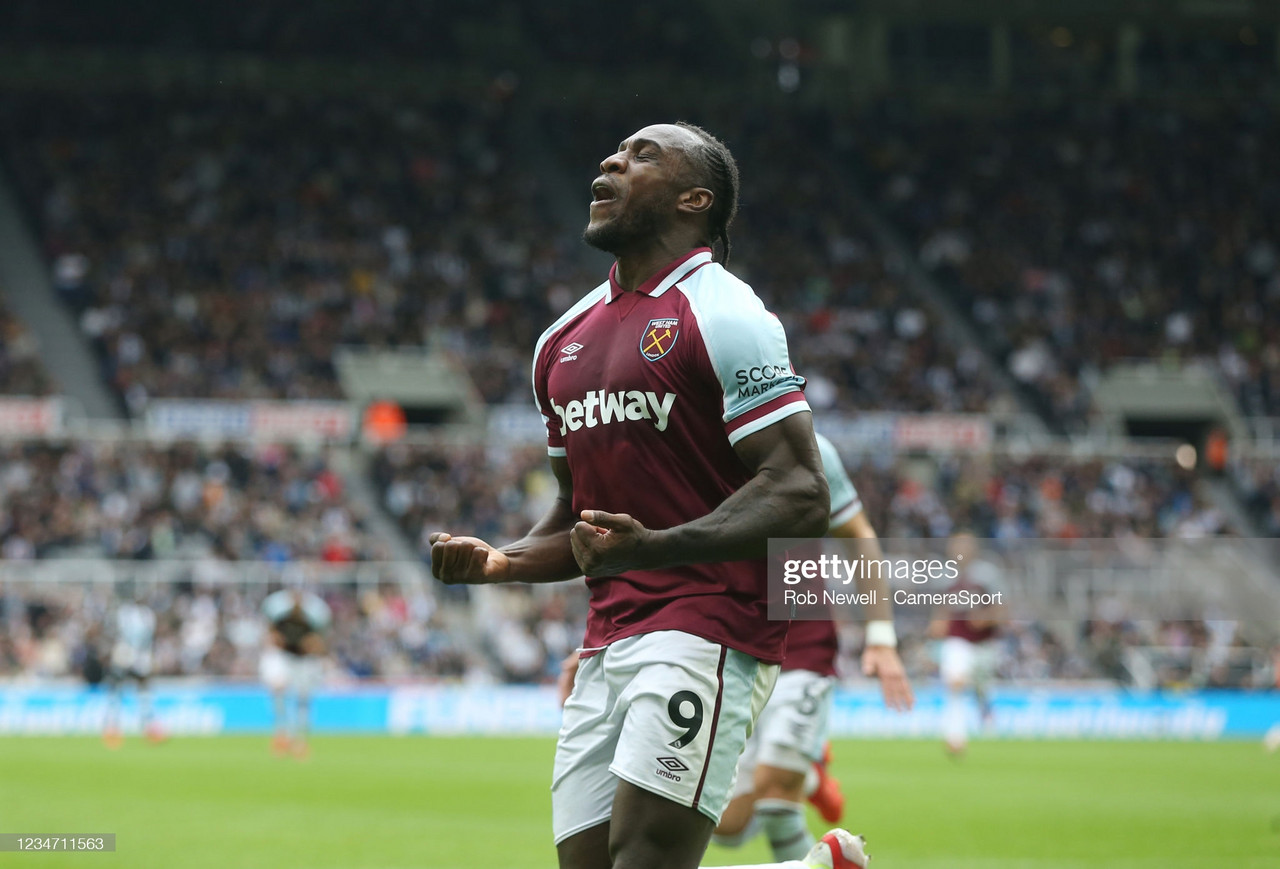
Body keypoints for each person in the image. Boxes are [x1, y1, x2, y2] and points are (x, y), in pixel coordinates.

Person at [431, 122, 867, 869]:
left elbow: (801, 496)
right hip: (608, 635)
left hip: (711, 623)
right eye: (615, 152)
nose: (611, 159)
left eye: (644, 155)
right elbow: (576, 518)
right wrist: (502, 563)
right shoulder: (560, 343)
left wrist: (658, 548)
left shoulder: (727, 313)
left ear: (695, 199)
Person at [712, 432, 914, 861]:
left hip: (799, 640)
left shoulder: (806, 445)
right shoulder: (679, 437)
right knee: (726, 826)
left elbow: (856, 532)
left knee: (774, 790)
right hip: (726, 645)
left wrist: (881, 637)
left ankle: (800, 785)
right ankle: (810, 777)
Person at [927, 532, 1007, 756]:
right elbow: (941, 607)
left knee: (981, 687)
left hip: (983, 644)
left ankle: (986, 712)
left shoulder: (987, 575)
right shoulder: (945, 577)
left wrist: (985, 617)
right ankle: (955, 737)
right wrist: (937, 624)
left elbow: (1002, 609)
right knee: (955, 683)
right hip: (957, 641)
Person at [260, 584, 331, 759]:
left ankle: (299, 740)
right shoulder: (281, 618)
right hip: (285, 657)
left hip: (304, 661)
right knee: (278, 690)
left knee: (303, 699)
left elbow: (317, 643)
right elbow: (272, 636)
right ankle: (282, 734)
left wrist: (313, 648)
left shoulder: (311, 620)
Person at [103, 585, 165, 748]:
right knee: (119, 688)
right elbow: (114, 632)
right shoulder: (126, 612)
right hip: (126, 651)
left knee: (142, 688)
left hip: (139, 654)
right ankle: (113, 727)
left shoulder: (145, 614)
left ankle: (147, 726)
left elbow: (150, 637)